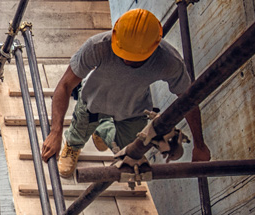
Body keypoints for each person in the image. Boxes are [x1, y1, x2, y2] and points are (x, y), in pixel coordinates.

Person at [40, 8, 210, 178]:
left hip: (132, 110)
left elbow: (188, 100)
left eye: (135, 58)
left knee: (129, 150)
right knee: (79, 131)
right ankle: (73, 146)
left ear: (154, 47)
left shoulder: (168, 61)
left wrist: (200, 145)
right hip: (94, 102)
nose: (127, 60)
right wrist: (56, 132)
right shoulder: (97, 46)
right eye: (123, 53)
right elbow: (65, 85)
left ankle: (102, 130)